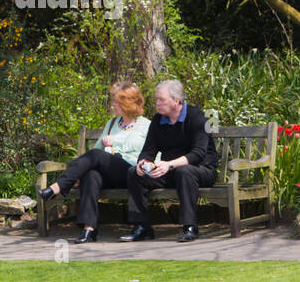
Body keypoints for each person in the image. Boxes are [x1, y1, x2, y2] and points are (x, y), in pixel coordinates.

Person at [38, 82, 150, 244]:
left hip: (131, 173)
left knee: (97, 157)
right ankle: (89, 229)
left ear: (129, 103)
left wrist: (115, 144)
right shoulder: (112, 123)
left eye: (117, 102)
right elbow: (93, 155)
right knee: (91, 175)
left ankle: (58, 186)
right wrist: (80, 172)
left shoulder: (146, 125)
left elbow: (149, 153)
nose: (113, 105)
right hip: (109, 174)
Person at [120, 79, 219, 243]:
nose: (157, 103)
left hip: (202, 170)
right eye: (157, 99)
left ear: (177, 101)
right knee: (134, 173)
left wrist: (169, 164)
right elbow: (149, 150)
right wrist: (142, 163)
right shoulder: (158, 120)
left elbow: (199, 154)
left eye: (161, 99)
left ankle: (190, 227)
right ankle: (142, 227)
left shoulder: (197, 116)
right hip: (171, 171)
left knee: (184, 171)